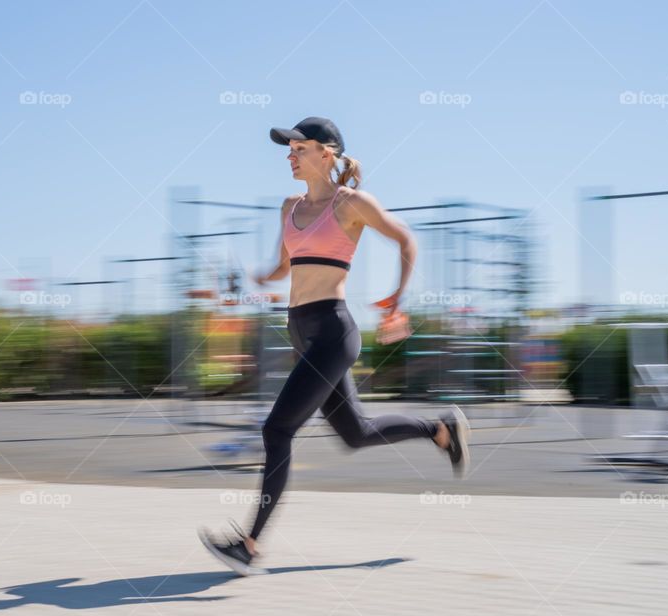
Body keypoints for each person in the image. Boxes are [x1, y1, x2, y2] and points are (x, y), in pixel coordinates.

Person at [199, 117, 471, 576]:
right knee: (355, 433)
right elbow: (285, 266)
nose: (290, 156)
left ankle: (249, 544)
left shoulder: (351, 204)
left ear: (326, 154)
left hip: (332, 331)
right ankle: (439, 430)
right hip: (300, 330)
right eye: (289, 150)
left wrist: (396, 300)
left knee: (277, 431)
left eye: (299, 148)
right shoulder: (289, 207)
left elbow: (405, 240)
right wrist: (254, 278)